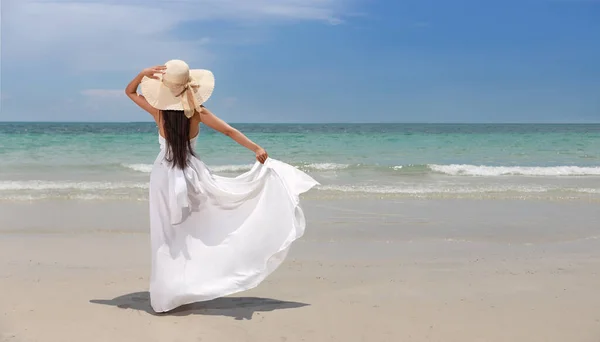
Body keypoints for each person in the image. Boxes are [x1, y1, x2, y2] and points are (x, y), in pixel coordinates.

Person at [125, 60, 319, 313]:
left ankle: (168, 292)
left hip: (164, 176)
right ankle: (189, 284)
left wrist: (142, 73)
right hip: (192, 174)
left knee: (168, 235)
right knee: (197, 231)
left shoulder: (158, 112)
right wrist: (257, 148)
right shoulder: (197, 112)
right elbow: (228, 131)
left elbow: (129, 92)